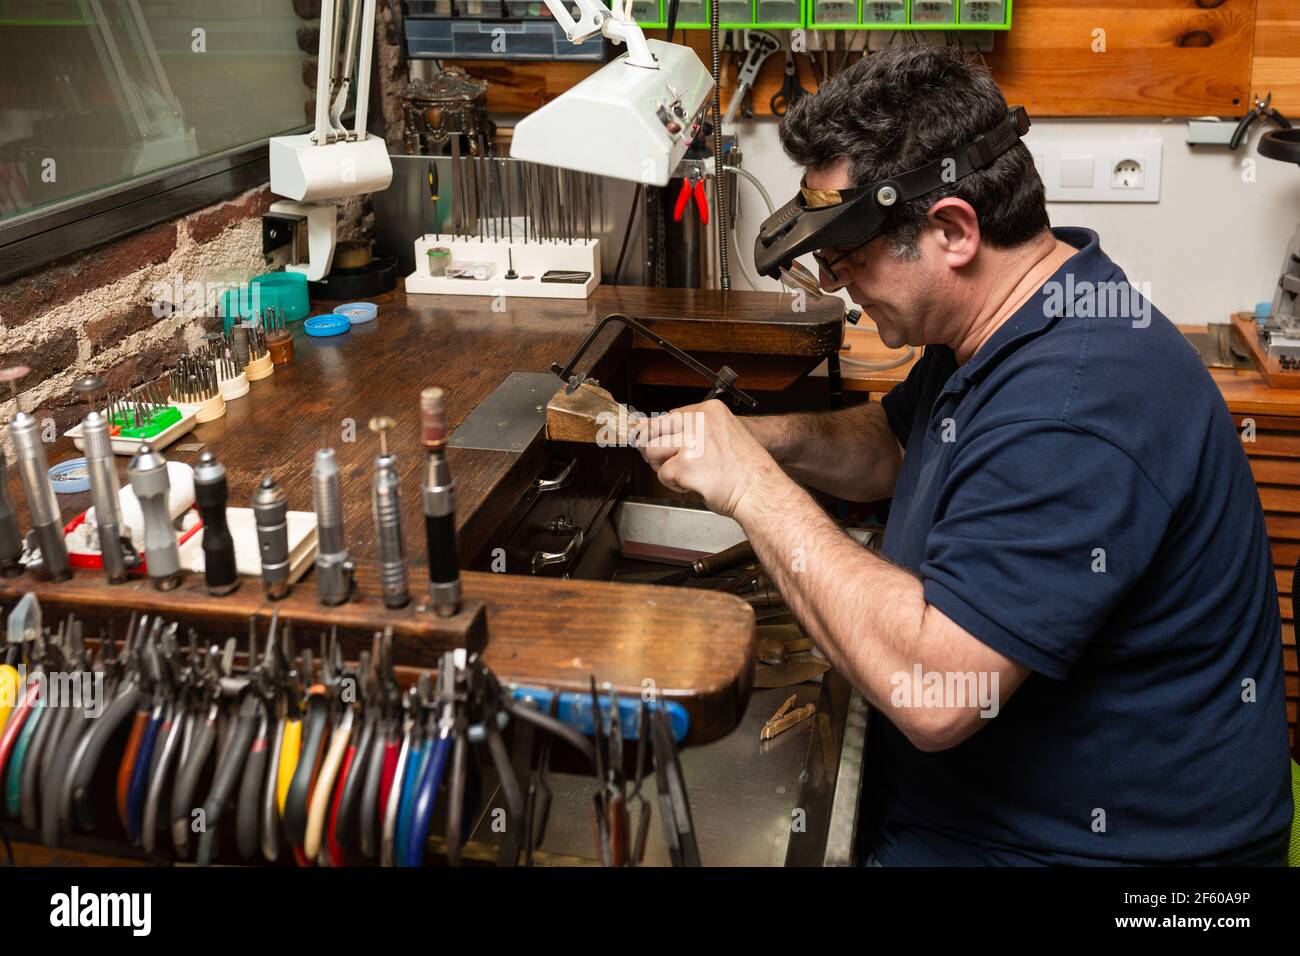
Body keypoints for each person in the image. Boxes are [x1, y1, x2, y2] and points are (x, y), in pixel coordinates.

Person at [636, 45, 1293, 865]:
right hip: (983, 814)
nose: (838, 286)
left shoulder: (1077, 406)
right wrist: (755, 441)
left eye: (849, 258)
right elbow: (890, 447)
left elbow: (937, 694)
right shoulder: (1014, 315)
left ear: (952, 229)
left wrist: (752, 488)